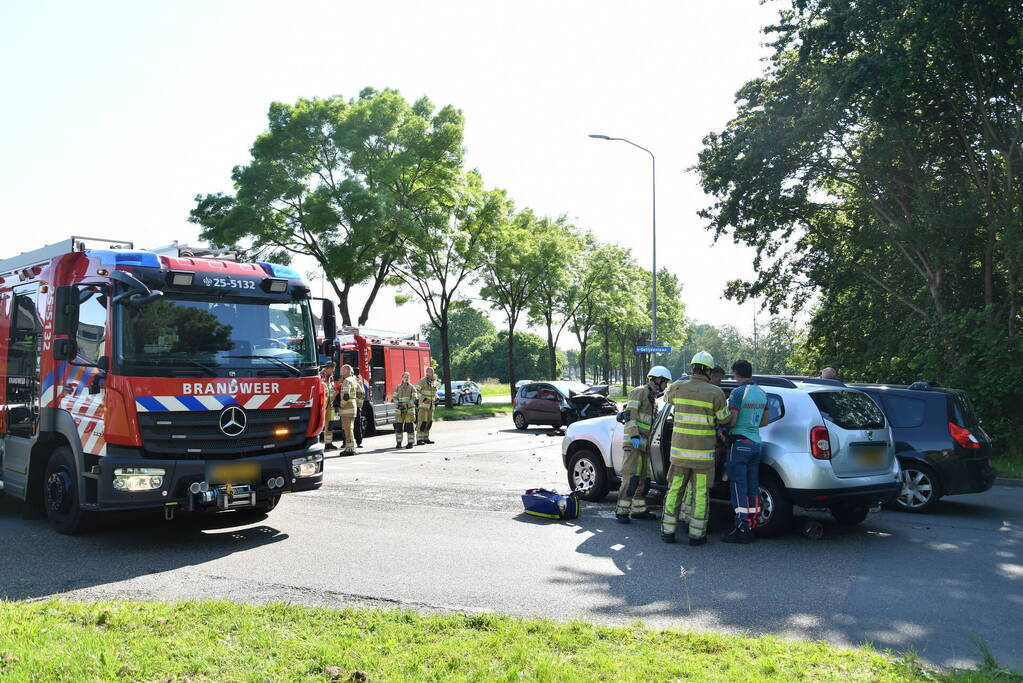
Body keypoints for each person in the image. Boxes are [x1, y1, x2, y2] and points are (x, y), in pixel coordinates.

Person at [660, 351, 731, 546]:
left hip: (679, 454)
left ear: (692, 368)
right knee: (700, 494)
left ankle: (668, 532)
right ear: (708, 370)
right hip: (703, 457)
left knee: (674, 491)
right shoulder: (715, 392)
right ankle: (696, 535)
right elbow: (724, 419)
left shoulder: (677, 387)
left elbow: (666, 398)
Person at [615, 365, 672, 523]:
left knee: (643, 481)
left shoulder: (652, 398)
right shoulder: (639, 391)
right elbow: (630, 416)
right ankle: (621, 511)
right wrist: (634, 435)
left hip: (645, 446)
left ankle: (638, 510)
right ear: (657, 379)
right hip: (634, 444)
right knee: (631, 478)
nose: (665, 385)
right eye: (665, 382)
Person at [722, 359, 770, 544]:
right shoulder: (761, 393)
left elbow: (732, 421)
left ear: (736, 374)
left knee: (738, 487)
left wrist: (721, 424)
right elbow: (764, 421)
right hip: (756, 444)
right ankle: (752, 525)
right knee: (752, 487)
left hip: (739, 443)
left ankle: (741, 528)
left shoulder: (738, 392)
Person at [337, 364, 365, 456]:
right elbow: (361, 393)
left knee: (347, 429)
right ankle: (350, 447)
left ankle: (349, 449)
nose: (340, 372)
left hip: (346, 409)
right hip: (353, 408)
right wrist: (359, 405)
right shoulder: (354, 380)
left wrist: (341, 405)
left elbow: (345, 396)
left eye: (342, 370)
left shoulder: (346, 381)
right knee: (350, 428)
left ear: (346, 371)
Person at [391, 372, 417, 449]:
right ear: (402, 378)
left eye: (408, 377)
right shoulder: (398, 387)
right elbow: (394, 397)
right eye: (405, 377)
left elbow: (414, 398)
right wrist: (398, 404)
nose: (406, 378)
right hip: (399, 410)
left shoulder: (412, 387)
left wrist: (407, 405)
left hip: (409, 410)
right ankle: (399, 443)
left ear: (409, 378)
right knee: (398, 427)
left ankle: (410, 443)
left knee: (409, 427)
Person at [415, 366, 439, 445]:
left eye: (433, 371)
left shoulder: (433, 382)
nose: (432, 373)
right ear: (427, 372)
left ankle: (426, 438)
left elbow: (434, 393)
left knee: (429, 423)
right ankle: (419, 439)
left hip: (431, 406)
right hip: (424, 406)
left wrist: (437, 397)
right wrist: (424, 399)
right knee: (422, 422)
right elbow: (416, 392)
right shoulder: (422, 381)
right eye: (430, 371)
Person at [319, 362, 338, 451]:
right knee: (320, 425)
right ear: (328, 368)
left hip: (330, 405)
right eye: (332, 369)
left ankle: (328, 443)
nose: (333, 371)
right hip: (322, 406)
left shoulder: (331, 378)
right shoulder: (320, 377)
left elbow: (332, 390)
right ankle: (317, 443)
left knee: (330, 424)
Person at [353, 368, 370, 448]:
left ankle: (358, 442)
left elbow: (362, 393)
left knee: (357, 425)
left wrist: (359, 404)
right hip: (348, 407)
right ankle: (345, 442)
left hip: (356, 406)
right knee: (346, 426)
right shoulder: (346, 381)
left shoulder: (358, 381)